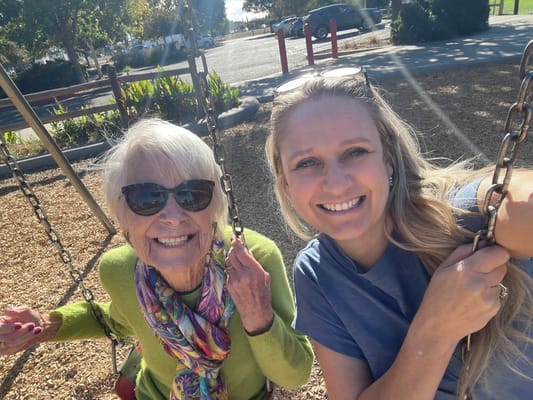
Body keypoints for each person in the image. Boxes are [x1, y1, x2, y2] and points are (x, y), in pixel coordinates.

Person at [0, 118, 314, 400]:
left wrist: (259, 318)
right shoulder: (119, 270)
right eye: (148, 198)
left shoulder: (254, 261)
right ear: (122, 214)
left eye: (192, 195)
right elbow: (115, 319)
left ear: (216, 207)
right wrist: (45, 325)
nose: (174, 217)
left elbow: (295, 374)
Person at [265, 75, 533, 399]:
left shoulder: (464, 217)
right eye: (307, 162)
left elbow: (516, 202)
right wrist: (435, 329)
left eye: (354, 152)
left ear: (387, 159)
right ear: (286, 185)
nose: (335, 183)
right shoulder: (318, 272)